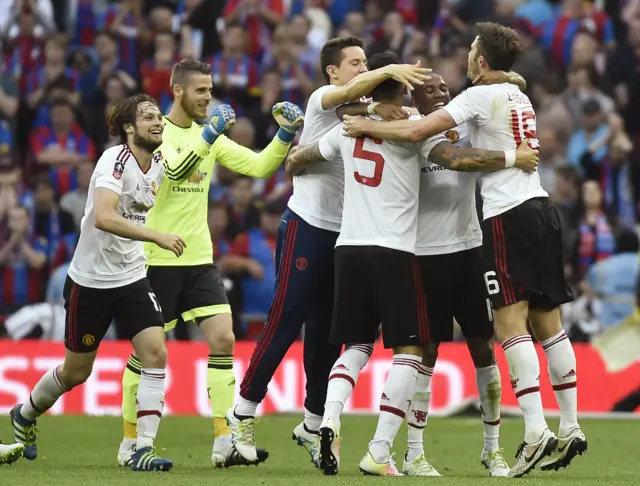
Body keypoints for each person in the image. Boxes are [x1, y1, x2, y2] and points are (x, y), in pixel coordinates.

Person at [342, 23, 586, 478]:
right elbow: (448, 129)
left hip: (503, 219)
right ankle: (570, 424)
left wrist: (363, 123)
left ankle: (535, 432)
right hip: (537, 209)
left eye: (471, 53)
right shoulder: (518, 95)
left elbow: (426, 137)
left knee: (509, 325)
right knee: (549, 324)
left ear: (479, 61)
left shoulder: (473, 99)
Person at [285, 52, 539, 476]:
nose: (441, 93)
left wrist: (300, 161)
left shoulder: (462, 118)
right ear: (410, 100)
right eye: (428, 89)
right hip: (417, 254)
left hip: (462, 249)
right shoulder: (416, 134)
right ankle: (411, 452)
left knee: (479, 351)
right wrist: (513, 158)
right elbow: (456, 159)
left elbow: (301, 156)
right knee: (421, 354)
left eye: (445, 88)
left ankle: (490, 449)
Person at [226, 36, 431, 466]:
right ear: (333, 72)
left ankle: (313, 422)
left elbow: (376, 108)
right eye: (354, 63)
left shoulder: (371, 115)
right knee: (287, 317)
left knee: (325, 334)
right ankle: (242, 413)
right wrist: (388, 72)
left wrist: (388, 100)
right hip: (307, 225)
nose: (361, 69)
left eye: (364, 62)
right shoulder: (323, 100)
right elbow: (350, 100)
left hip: (344, 238)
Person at [9, 93, 230, 472]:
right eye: (147, 117)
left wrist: (208, 135)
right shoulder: (114, 161)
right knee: (77, 371)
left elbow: (179, 173)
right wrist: (157, 236)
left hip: (130, 276)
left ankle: (141, 447)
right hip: (90, 281)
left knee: (156, 352)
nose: (158, 122)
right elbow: (105, 218)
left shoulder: (158, 161)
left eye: (158, 117)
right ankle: (25, 412)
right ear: (129, 127)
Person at [117, 59, 305, 468]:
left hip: (199, 258)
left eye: (211, 89)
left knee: (222, 340)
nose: (208, 97)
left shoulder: (210, 136)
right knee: (148, 352)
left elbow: (258, 166)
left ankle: (225, 441)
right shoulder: (156, 133)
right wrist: (208, 134)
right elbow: (172, 173)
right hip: (155, 258)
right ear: (178, 89)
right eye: (201, 90)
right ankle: (131, 441)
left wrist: (285, 135)